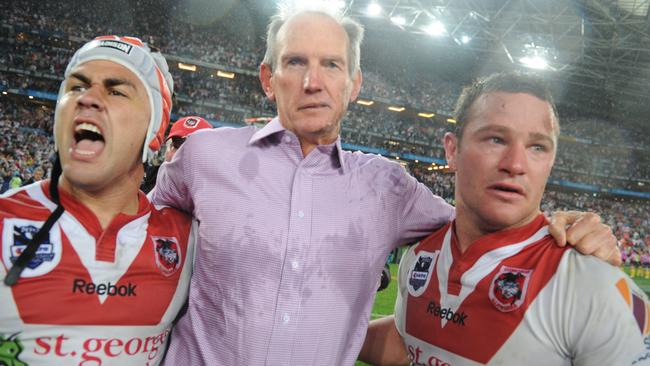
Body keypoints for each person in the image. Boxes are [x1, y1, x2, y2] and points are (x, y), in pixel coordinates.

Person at [153, 5, 620, 365]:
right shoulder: (204, 156)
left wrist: (566, 230)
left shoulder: (388, 189)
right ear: (268, 79)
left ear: (354, 84)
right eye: (295, 62)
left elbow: (482, 219)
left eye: (332, 65)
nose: (314, 82)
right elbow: (136, 227)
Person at [358, 72, 649, 365]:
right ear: (452, 149)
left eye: (537, 147)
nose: (515, 164)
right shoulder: (421, 254)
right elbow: (407, 344)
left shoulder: (592, 285)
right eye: (496, 139)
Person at [0, 35, 196, 366]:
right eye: (75, 87)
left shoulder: (189, 242)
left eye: (116, 90)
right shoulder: (5, 220)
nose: (88, 98)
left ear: (156, 131)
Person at [141, 115, 212, 193]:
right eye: (176, 146)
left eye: (191, 149)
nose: (179, 155)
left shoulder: (212, 201)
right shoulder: (143, 178)